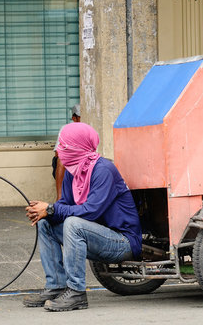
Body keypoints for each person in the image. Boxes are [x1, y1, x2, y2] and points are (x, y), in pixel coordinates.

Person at [23, 122, 142, 311]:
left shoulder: (104, 170)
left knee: (73, 223)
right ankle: (55, 286)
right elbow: (65, 204)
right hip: (96, 236)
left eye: (64, 146)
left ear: (77, 147)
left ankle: (76, 292)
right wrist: (44, 211)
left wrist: (52, 209)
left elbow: (91, 211)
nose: (60, 150)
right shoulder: (74, 170)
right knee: (44, 223)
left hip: (122, 241)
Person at [52, 104, 81, 200]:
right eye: (80, 117)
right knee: (61, 161)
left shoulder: (90, 128)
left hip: (85, 160)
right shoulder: (66, 129)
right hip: (70, 159)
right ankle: (60, 198)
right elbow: (57, 152)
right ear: (74, 118)